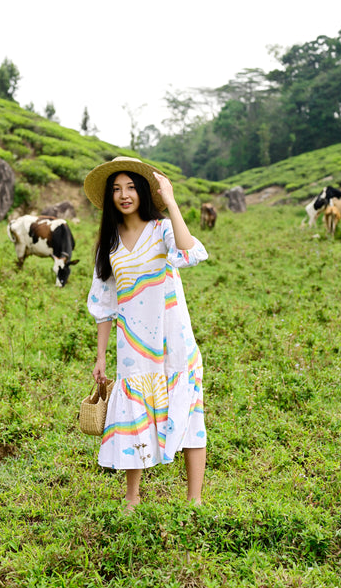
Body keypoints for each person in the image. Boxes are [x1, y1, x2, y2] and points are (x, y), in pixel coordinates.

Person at [84, 156, 208, 510]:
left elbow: (189, 251)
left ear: (142, 192)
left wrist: (170, 201)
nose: (124, 195)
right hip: (133, 346)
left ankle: (194, 501)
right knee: (133, 416)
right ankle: (132, 498)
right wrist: (101, 355)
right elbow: (105, 305)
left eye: (131, 188)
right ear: (110, 198)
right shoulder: (109, 247)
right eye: (117, 190)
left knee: (188, 412)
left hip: (173, 340)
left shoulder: (163, 229)